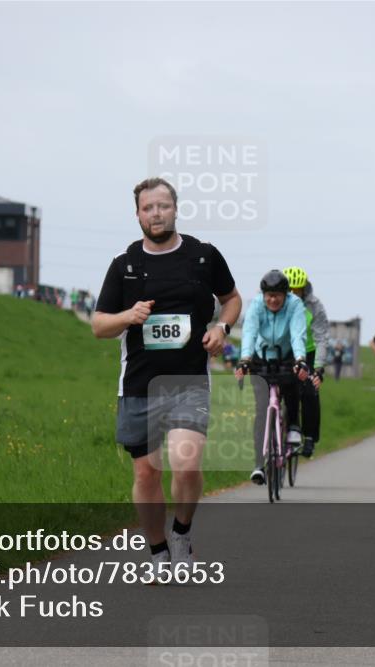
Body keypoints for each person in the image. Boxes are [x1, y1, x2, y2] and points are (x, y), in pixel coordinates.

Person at [92, 177, 240, 577]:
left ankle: (181, 533)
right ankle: (158, 552)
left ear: (175, 209)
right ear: (137, 214)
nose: (155, 214)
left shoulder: (203, 256)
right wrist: (128, 316)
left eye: (162, 206)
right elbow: (99, 325)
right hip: (138, 385)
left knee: (186, 463)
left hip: (188, 381)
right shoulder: (124, 265)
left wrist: (222, 328)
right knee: (146, 473)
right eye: (147, 208)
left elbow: (231, 299)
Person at [233, 270, 312, 482]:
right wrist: (245, 359)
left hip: (287, 355)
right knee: (261, 410)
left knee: (292, 387)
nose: (273, 300)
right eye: (269, 295)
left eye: (277, 295)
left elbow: (297, 334)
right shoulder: (256, 305)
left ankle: (293, 425)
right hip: (261, 356)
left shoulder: (295, 305)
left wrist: (300, 359)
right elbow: (249, 333)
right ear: (263, 294)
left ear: (286, 294)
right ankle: (259, 465)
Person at [282, 267, 329, 457]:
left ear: (305, 289)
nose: (294, 294)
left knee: (310, 392)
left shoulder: (315, 306)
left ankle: (310, 437)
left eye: (298, 290)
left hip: (308, 352)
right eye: (290, 290)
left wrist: (318, 368)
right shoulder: (276, 301)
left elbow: (321, 338)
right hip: (285, 352)